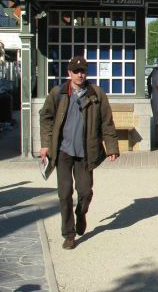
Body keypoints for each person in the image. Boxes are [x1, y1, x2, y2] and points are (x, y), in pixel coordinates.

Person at [39, 55, 120, 250]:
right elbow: (45, 117)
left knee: (84, 191)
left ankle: (81, 213)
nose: (80, 75)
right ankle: (69, 234)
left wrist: (111, 147)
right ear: (69, 73)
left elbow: (107, 122)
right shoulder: (58, 93)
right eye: (76, 71)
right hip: (63, 151)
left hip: (86, 151)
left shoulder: (97, 94)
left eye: (83, 71)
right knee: (64, 193)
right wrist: (46, 143)